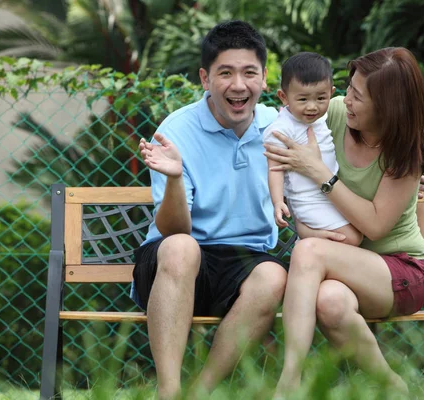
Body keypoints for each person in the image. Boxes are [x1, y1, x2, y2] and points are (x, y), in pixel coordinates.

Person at [263, 47, 424, 396]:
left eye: (358, 96)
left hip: (400, 270)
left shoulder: (406, 151)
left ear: (387, 106)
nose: (346, 101)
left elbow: (375, 227)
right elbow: (283, 119)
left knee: (308, 252)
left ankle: (289, 383)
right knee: (329, 300)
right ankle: (395, 388)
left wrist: (319, 173)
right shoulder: (333, 113)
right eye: (349, 89)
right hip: (343, 263)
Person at [130, 20, 289, 399]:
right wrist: (171, 179)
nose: (239, 85)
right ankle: (168, 392)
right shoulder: (177, 131)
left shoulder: (279, 128)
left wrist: (397, 177)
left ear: (264, 79)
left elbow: (331, 165)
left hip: (244, 262)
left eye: (249, 73)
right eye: (225, 73)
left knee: (273, 276)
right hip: (177, 262)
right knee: (183, 247)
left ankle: (200, 392)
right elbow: (172, 230)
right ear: (205, 78)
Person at [263, 52, 363, 246]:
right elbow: (274, 169)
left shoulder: (325, 118)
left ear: (331, 93)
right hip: (307, 199)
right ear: (284, 97)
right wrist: (277, 202)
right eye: (302, 100)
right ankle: (307, 233)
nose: (312, 107)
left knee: (358, 229)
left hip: (330, 191)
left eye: (320, 98)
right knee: (352, 237)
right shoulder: (280, 130)